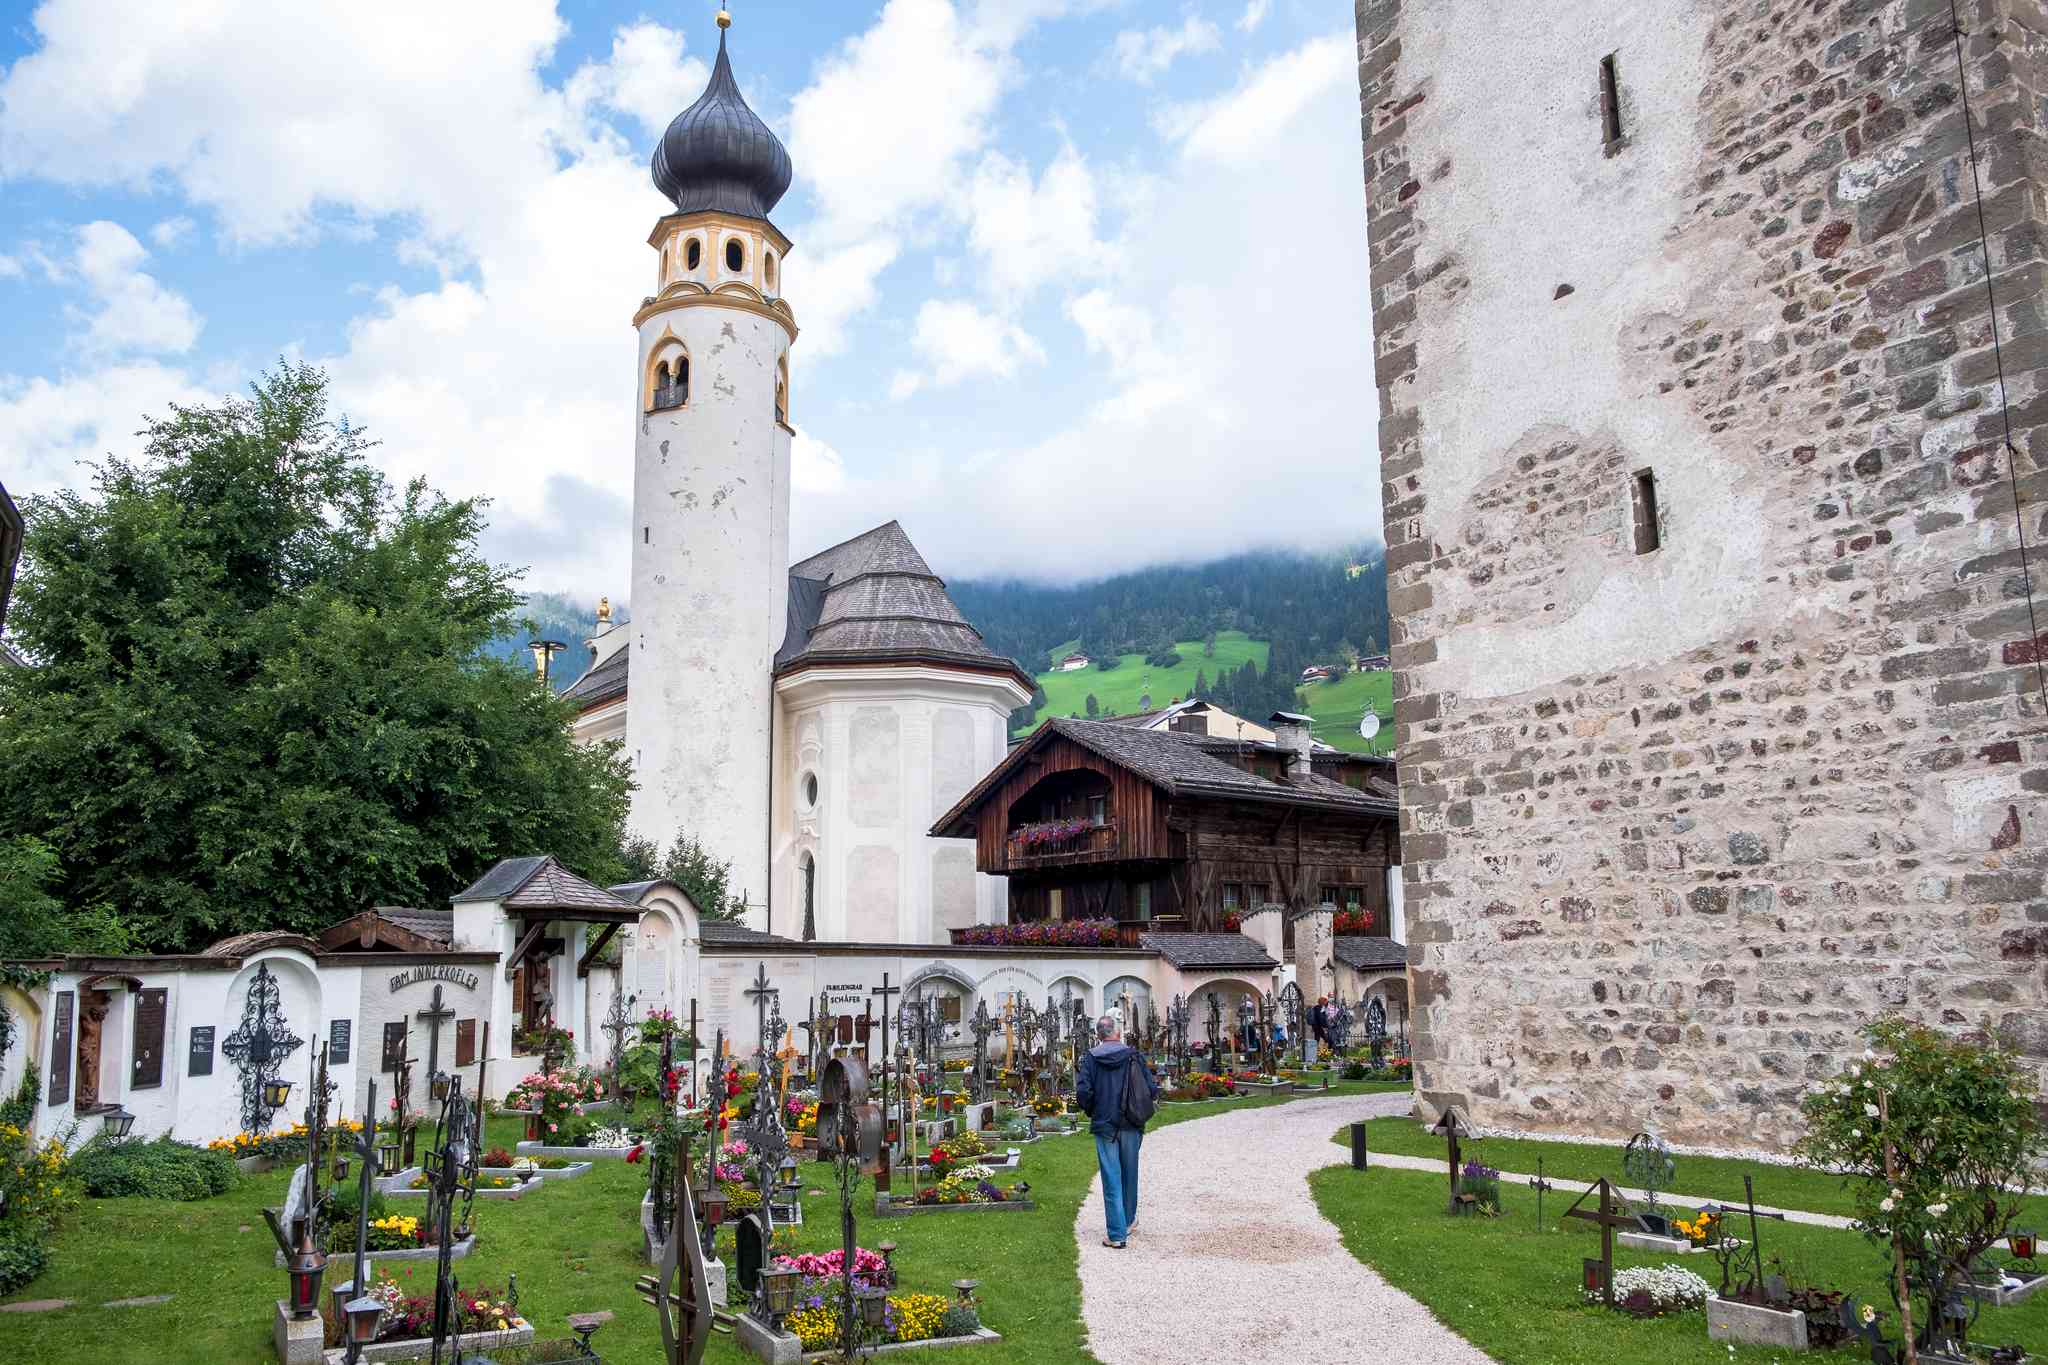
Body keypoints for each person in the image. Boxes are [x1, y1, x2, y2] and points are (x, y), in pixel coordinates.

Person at [1076, 1011, 1157, 1249]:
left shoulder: (1091, 1058)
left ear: (1098, 1035)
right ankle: (1129, 1221)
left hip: (1105, 1124)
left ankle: (1116, 1234)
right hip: (1132, 1122)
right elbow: (1151, 1088)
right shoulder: (1133, 1056)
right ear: (1117, 1032)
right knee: (1130, 1173)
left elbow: (1083, 1092)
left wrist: (1093, 1110)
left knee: (1111, 1177)